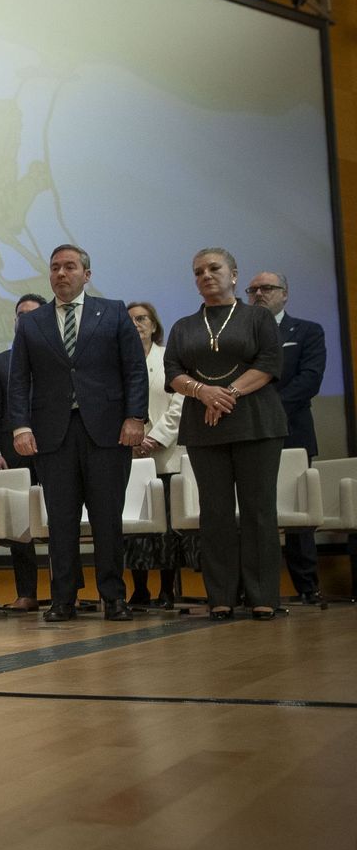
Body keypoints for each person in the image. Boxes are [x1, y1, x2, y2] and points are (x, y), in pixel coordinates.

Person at [10, 245, 147, 622]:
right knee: (61, 521)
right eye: (55, 267)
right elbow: (19, 379)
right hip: (53, 434)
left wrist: (135, 417)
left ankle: (113, 598)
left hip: (107, 432)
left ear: (87, 274)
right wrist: (21, 425)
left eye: (70, 267)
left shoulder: (114, 312)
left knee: (107, 519)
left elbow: (134, 369)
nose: (61, 274)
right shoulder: (33, 322)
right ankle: (63, 600)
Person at [166, 249, 287, 620]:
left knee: (258, 510)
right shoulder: (184, 326)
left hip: (256, 424)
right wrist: (203, 392)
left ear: (234, 275)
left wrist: (228, 393)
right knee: (214, 513)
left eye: (214, 268)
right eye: (198, 271)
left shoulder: (257, 317)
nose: (206, 275)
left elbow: (268, 364)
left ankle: (263, 594)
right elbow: (172, 370)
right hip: (204, 427)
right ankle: (221, 596)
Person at [248, 270, 327, 606]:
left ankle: (306, 585)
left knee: (298, 513)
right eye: (253, 289)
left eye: (267, 288)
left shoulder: (307, 331)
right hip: (249, 433)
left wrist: (268, 408)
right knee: (253, 510)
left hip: (292, 430)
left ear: (285, 294)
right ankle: (252, 588)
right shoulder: (243, 333)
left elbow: (309, 380)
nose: (259, 294)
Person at [0, 293, 48, 611]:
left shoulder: (57, 356)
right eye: (19, 315)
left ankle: (67, 593)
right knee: (20, 525)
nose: (24, 320)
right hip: (14, 454)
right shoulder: (0, 361)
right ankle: (27, 593)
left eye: (31, 315)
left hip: (55, 448)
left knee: (60, 520)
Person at [125, 301, 186, 609]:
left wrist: (155, 439)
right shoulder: (117, 361)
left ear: (153, 324)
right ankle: (139, 589)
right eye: (131, 319)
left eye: (142, 318)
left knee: (167, 527)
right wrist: (134, 441)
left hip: (166, 454)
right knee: (135, 528)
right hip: (131, 457)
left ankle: (166, 589)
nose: (136, 324)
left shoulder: (168, 358)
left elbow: (180, 403)